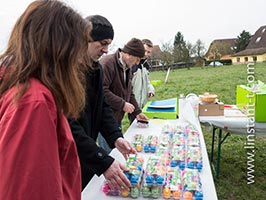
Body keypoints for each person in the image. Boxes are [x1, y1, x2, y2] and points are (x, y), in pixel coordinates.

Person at [0, 1, 91, 199]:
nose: (80, 60)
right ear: (60, 49)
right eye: (78, 48)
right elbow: (29, 191)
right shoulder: (33, 102)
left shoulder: (30, 92)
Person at [68, 15, 137, 191]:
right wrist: (102, 159)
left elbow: (103, 107)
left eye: (109, 44)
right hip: (69, 153)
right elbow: (69, 125)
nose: (106, 50)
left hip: (87, 150)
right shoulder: (66, 72)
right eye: (103, 43)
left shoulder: (96, 69)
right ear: (86, 39)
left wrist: (115, 136)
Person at [99, 38, 149, 152]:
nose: (137, 63)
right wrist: (122, 104)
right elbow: (102, 91)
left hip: (117, 117)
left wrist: (137, 112)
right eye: (137, 59)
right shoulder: (107, 63)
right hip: (104, 120)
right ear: (128, 54)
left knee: (119, 150)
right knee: (110, 154)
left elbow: (129, 92)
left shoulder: (127, 68)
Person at [128, 39, 155, 123]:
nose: (146, 54)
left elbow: (147, 82)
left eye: (149, 52)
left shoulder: (146, 65)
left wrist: (151, 89)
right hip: (133, 105)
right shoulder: (132, 64)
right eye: (145, 51)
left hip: (145, 104)